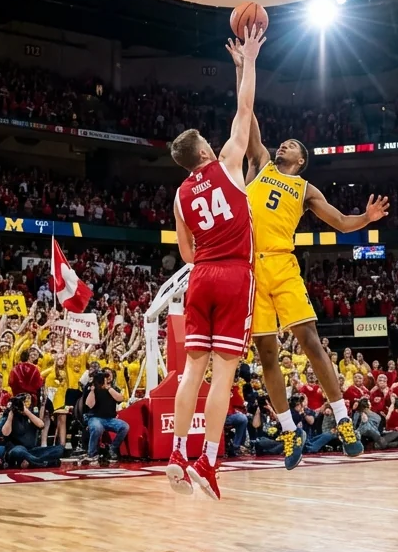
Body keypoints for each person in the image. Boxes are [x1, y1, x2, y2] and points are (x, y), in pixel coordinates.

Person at [232, 38, 385, 475]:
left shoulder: (306, 189)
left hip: (281, 263)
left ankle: (342, 420)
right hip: (250, 268)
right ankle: (287, 429)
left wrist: (367, 217)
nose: (283, 145)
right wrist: (244, 67)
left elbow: (340, 222)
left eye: (291, 145)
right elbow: (248, 115)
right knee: (264, 354)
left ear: (303, 159)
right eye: (282, 143)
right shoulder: (260, 163)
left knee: (311, 343)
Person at [163, 25, 263, 501]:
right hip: (233, 273)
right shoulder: (226, 161)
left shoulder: (180, 196)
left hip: (199, 277)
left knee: (190, 373)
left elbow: (185, 253)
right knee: (223, 375)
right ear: (204, 151)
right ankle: (209, 458)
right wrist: (249, 62)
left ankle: (177, 453)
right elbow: (245, 110)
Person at [85, 369, 129, 463]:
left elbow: (120, 398)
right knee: (97, 428)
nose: (107, 377)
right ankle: (92, 453)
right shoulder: (92, 389)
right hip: (95, 418)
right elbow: (89, 404)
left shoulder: (113, 388)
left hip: (110, 419)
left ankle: (112, 448)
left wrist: (108, 388)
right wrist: (92, 390)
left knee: (124, 426)